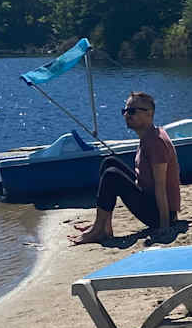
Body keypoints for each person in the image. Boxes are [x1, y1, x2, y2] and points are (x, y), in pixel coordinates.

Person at [70, 91, 180, 245]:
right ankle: (103, 226)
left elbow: (161, 187)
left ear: (150, 114)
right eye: (125, 111)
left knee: (112, 175)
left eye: (132, 111)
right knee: (110, 162)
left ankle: (98, 230)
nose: (127, 115)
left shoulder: (156, 142)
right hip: (149, 200)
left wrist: (164, 226)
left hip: (161, 213)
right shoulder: (148, 136)